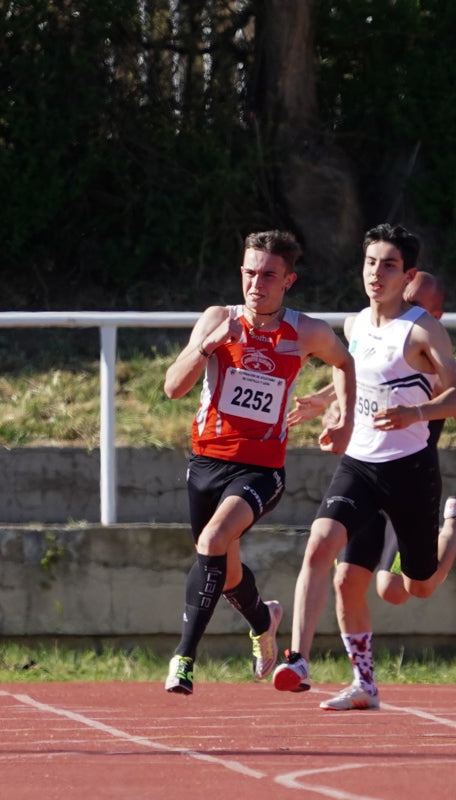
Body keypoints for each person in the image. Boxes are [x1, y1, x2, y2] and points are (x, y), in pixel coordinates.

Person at [272, 224, 456, 711]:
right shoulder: (353, 325)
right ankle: (306, 662)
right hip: (361, 465)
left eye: (389, 265)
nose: (376, 273)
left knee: (416, 586)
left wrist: (414, 414)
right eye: (371, 262)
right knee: (328, 557)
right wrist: (332, 409)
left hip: (410, 472)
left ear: (406, 275)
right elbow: (353, 368)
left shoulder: (422, 330)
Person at [161, 229, 355, 696]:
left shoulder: (306, 331)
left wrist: (338, 411)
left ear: (289, 280)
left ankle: (183, 659)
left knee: (211, 539)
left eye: (268, 275)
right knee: (224, 570)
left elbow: (349, 363)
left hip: (261, 470)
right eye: (249, 272)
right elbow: (172, 387)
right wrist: (208, 344)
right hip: (206, 462)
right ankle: (263, 618)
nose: (256, 283)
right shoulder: (216, 318)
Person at [286, 270, 456, 606]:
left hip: (409, 482)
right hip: (366, 473)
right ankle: (322, 658)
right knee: (344, 577)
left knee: (403, 590)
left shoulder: (439, 369)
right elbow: (363, 374)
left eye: (413, 304)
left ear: (434, 318)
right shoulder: (379, 335)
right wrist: (328, 402)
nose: (402, 309)